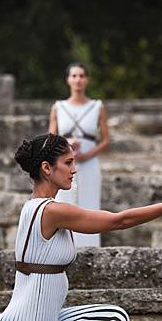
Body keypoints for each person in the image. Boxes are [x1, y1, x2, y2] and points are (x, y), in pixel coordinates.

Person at [0, 133, 162, 320]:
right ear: (46, 168)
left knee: (113, 314)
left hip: (48, 315)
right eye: (68, 162)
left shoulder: (35, 207)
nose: (74, 169)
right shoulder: (52, 211)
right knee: (114, 317)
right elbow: (119, 221)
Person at [49, 62, 108, 247]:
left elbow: (106, 140)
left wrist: (87, 154)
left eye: (82, 75)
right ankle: (62, 248)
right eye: (74, 76)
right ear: (68, 80)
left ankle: (90, 249)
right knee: (63, 204)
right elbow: (50, 139)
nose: (78, 79)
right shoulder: (58, 107)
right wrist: (66, 145)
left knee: (89, 205)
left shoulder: (97, 106)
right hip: (63, 162)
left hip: (89, 163)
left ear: (87, 79)